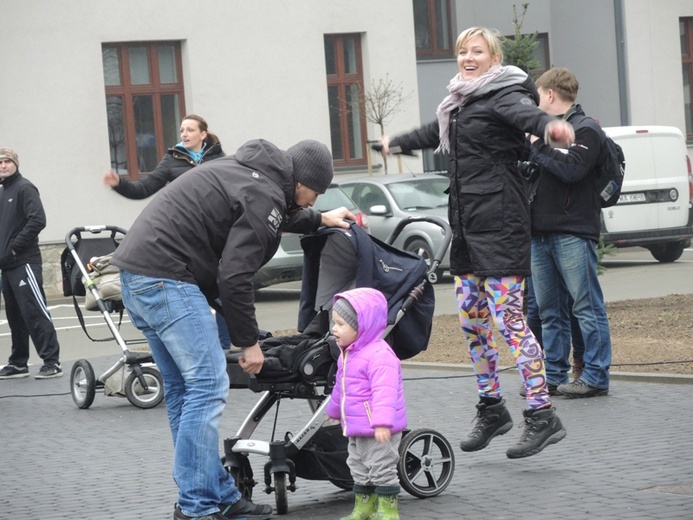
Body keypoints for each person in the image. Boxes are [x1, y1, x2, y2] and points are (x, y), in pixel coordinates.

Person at [110, 138, 355, 520]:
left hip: (137, 274)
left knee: (183, 391)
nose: (312, 201)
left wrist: (321, 218)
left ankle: (214, 495)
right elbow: (235, 275)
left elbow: (277, 213)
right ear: (301, 181)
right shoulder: (267, 193)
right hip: (168, 278)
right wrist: (248, 342)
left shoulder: (250, 174)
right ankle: (196, 506)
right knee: (207, 386)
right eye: (314, 193)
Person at [379, 27, 571, 459]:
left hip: (502, 223)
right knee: (471, 320)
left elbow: (529, 117)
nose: (468, 57)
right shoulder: (461, 103)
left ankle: (542, 414)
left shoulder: (503, 94)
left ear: (494, 57)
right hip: (467, 225)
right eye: (462, 50)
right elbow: (433, 132)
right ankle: (491, 408)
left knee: (510, 321)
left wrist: (552, 128)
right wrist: (397, 142)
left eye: (477, 51)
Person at [103, 114, 232, 349]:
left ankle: (226, 346)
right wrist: (119, 184)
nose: (184, 134)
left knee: (224, 291)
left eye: (190, 130)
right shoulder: (172, 160)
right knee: (195, 293)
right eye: (182, 130)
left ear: (203, 134)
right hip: (185, 237)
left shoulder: (218, 158)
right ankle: (202, 345)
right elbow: (145, 188)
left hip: (213, 236)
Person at [525, 67, 612, 398]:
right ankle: (553, 374)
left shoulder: (586, 130)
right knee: (549, 312)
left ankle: (595, 375)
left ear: (548, 95)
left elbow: (573, 169)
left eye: (537, 94)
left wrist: (538, 147)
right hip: (539, 233)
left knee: (586, 306)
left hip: (573, 232)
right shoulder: (541, 134)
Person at [325, 288, 406, 520]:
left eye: (341, 324)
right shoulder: (346, 354)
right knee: (358, 466)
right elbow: (341, 386)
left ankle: (388, 510)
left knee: (381, 467)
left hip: (378, 427)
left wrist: (382, 423)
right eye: (334, 323)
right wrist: (334, 408)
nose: (334, 329)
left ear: (362, 326)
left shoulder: (380, 356)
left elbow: (385, 392)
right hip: (356, 425)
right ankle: (364, 507)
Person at [0, 147, 63, 380]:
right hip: (7, 266)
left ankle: (52, 362)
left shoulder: (25, 188)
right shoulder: (3, 192)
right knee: (15, 316)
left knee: (34, 312)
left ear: (15, 163)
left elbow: (38, 219)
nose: (3, 165)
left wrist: (15, 247)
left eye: (7, 161)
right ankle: (18, 363)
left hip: (24, 262)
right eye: (0, 162)